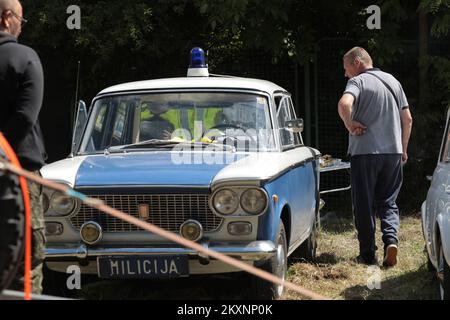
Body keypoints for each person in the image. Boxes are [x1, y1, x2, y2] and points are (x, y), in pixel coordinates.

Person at [337, 47, 413, 267]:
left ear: (358, 63)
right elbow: (407, 119)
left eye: (346, 67)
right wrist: (404, 148)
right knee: (388, 201)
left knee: (364, 203)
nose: (345, 74)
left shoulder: (358, 82)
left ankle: (368, 255)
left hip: (365, 153)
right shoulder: (393, 81)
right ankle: (391, 240)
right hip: (393, 153)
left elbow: (344, 104)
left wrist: (350, 124)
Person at [0, 0, 47, 293]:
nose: (21, 26)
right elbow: (25, 117)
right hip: (19, 178)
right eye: (21, 20)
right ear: (7, 18)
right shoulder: (24, 57)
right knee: (26, 262)